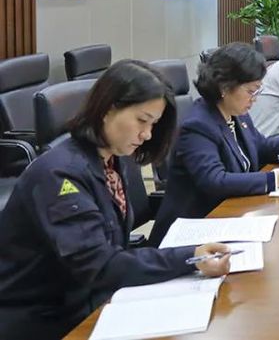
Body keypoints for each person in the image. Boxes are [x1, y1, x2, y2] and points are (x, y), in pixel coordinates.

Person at [0, 60, 231, 338]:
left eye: (153, 124)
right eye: (142, 120)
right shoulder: (59, 175)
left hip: (90, 301)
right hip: (44, 320)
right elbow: (100, 266)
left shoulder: (110, 158)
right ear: (108, 109)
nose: (147, 134)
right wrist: (189, 257)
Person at [150, 44, 279, 246]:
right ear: (225, 87)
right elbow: (214, 181)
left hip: (231, 216)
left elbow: (259, 146)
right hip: (193, 231)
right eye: (251, 91)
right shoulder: (198, 125)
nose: (255, 99)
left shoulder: (235, 114)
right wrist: (276, 179)